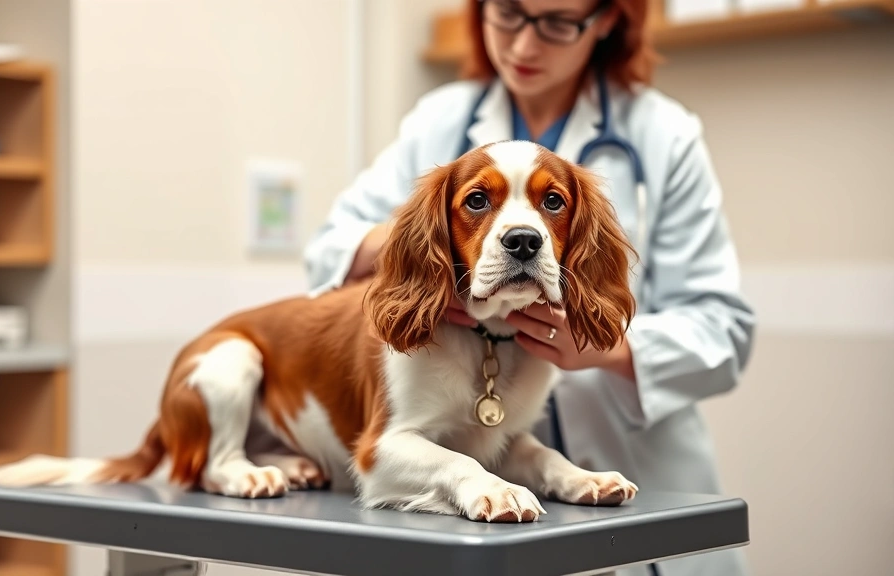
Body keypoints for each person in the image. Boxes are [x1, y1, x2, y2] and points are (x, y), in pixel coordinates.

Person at [303, 1, 756, 575]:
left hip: (631, 478)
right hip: (471, 504)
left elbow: (725, 329)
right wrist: (427, 253)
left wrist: (610, 347)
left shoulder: (664, 133)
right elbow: (328, 249)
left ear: (609, 19)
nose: (523, 45)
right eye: (509, 14)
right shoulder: (439, 121)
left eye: (558, 22)